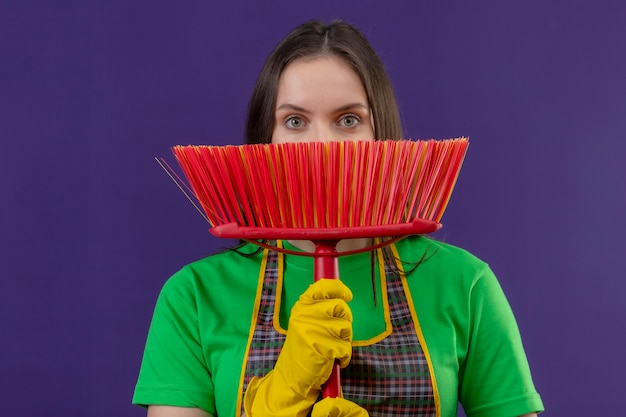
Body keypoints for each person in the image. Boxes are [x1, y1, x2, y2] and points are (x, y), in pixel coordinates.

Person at [133, 20, 544, 417]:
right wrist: (275, 404)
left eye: (348, 120)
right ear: (266, 139)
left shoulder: (464, 284)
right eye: (295, 121)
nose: (322, 145)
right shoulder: (195, 297)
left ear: (380, 134)